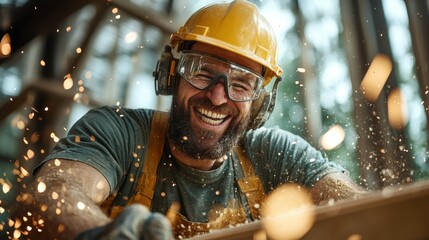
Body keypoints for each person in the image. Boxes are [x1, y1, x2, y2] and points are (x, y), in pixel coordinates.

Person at [10, 0, 365, 239]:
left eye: (241, 84)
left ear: (260, 103)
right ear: (171, 74)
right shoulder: (117, 131)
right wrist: (97, 233)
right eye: (202, 72)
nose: (217, 95)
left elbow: (358, 208)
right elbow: (50, 195)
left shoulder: (276, 155)